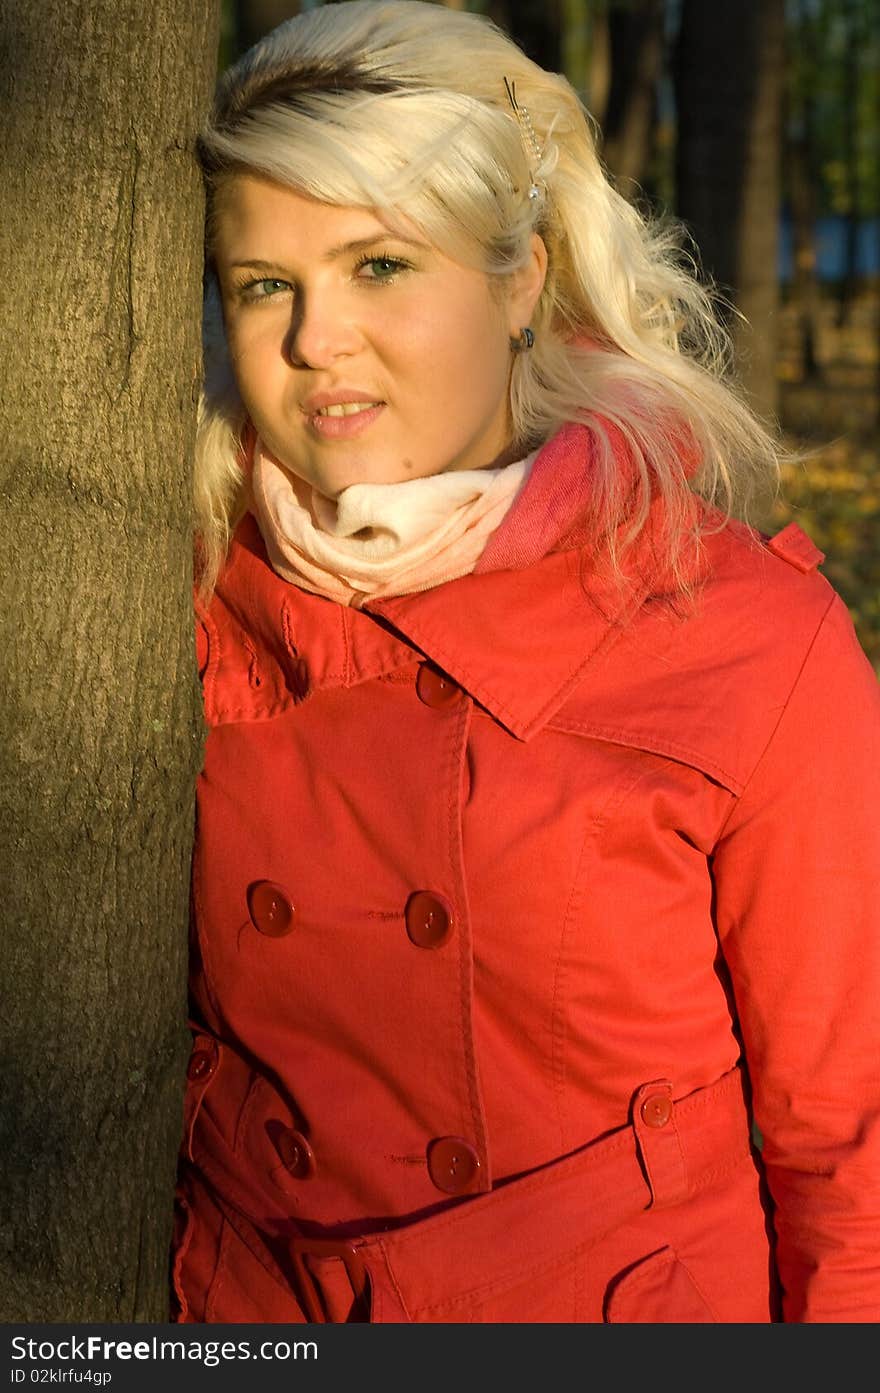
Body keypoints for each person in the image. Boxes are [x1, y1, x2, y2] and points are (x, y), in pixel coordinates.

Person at [170, 0, 880, 1324]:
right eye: (269, 284)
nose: (315, 340)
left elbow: (854, 1161)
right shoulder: (183, 599)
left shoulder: (745, 641)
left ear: (521, 280)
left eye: (379, 264)